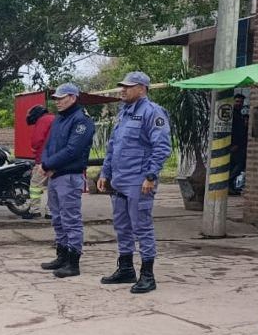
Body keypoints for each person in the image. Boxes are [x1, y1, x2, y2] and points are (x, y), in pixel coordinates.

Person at [97, 71, 171, 294]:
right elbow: (113, 147)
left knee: (142, 227)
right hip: (119, 180)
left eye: (128, 87)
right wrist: (104, 173)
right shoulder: (123, 114)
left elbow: (162, 147)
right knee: (122, 226)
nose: (123, 90)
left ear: (142, 88)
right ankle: (126, 268)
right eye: (123, 86)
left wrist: (151, 176)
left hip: (139, 181)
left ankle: (147, 275)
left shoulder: (152, 113)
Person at [39, 83, 95, 278]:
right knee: (57, 218)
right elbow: (49, 143)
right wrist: (45, 163)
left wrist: (49, 165)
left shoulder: (81, 120)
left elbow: (73, 150)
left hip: (69, 176)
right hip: (55, 175)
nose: (57, 102)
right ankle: (61, 255)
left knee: (71, 219)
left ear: (72, 97)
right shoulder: (59, 119)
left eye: (61, 98)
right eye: (55, 99)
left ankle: (73, 261)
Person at [23, 104, 55, 220]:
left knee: (35, 185)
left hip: (44, 159)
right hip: (57, 159)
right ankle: (51, 211)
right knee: (52, 186)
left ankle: (34, 211)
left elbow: (37, 140)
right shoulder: (54, 118)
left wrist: (34, 149)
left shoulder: (43, 120)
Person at [229, 93, 247, 195]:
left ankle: (231, 186)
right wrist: (233, 145)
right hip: (234, 146)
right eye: (237, 101)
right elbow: (233, 131)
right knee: (237, 166)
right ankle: (229, 184)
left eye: (241, 102)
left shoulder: (240, 114)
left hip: (240, 146)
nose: (239, 103)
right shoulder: (232, 114)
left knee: (238, 166)